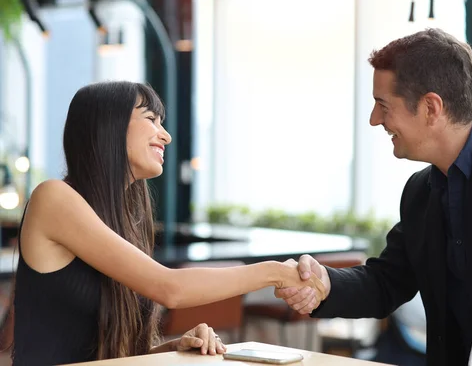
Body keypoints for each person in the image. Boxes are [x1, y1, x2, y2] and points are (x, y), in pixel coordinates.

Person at [276, 28, 472, 366]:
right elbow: (388, 280)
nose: (375, 120)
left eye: (383, 105)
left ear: (431, 107)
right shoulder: (420, 191)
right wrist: (326, 283)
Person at [8, 81, 324, 365]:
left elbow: (116, 356)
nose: (166, 135)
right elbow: (169, 288)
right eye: (151, 120)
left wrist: (176, 347)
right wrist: (274, 273)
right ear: (110, 126)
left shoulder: (124, 221)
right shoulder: (53, 198)